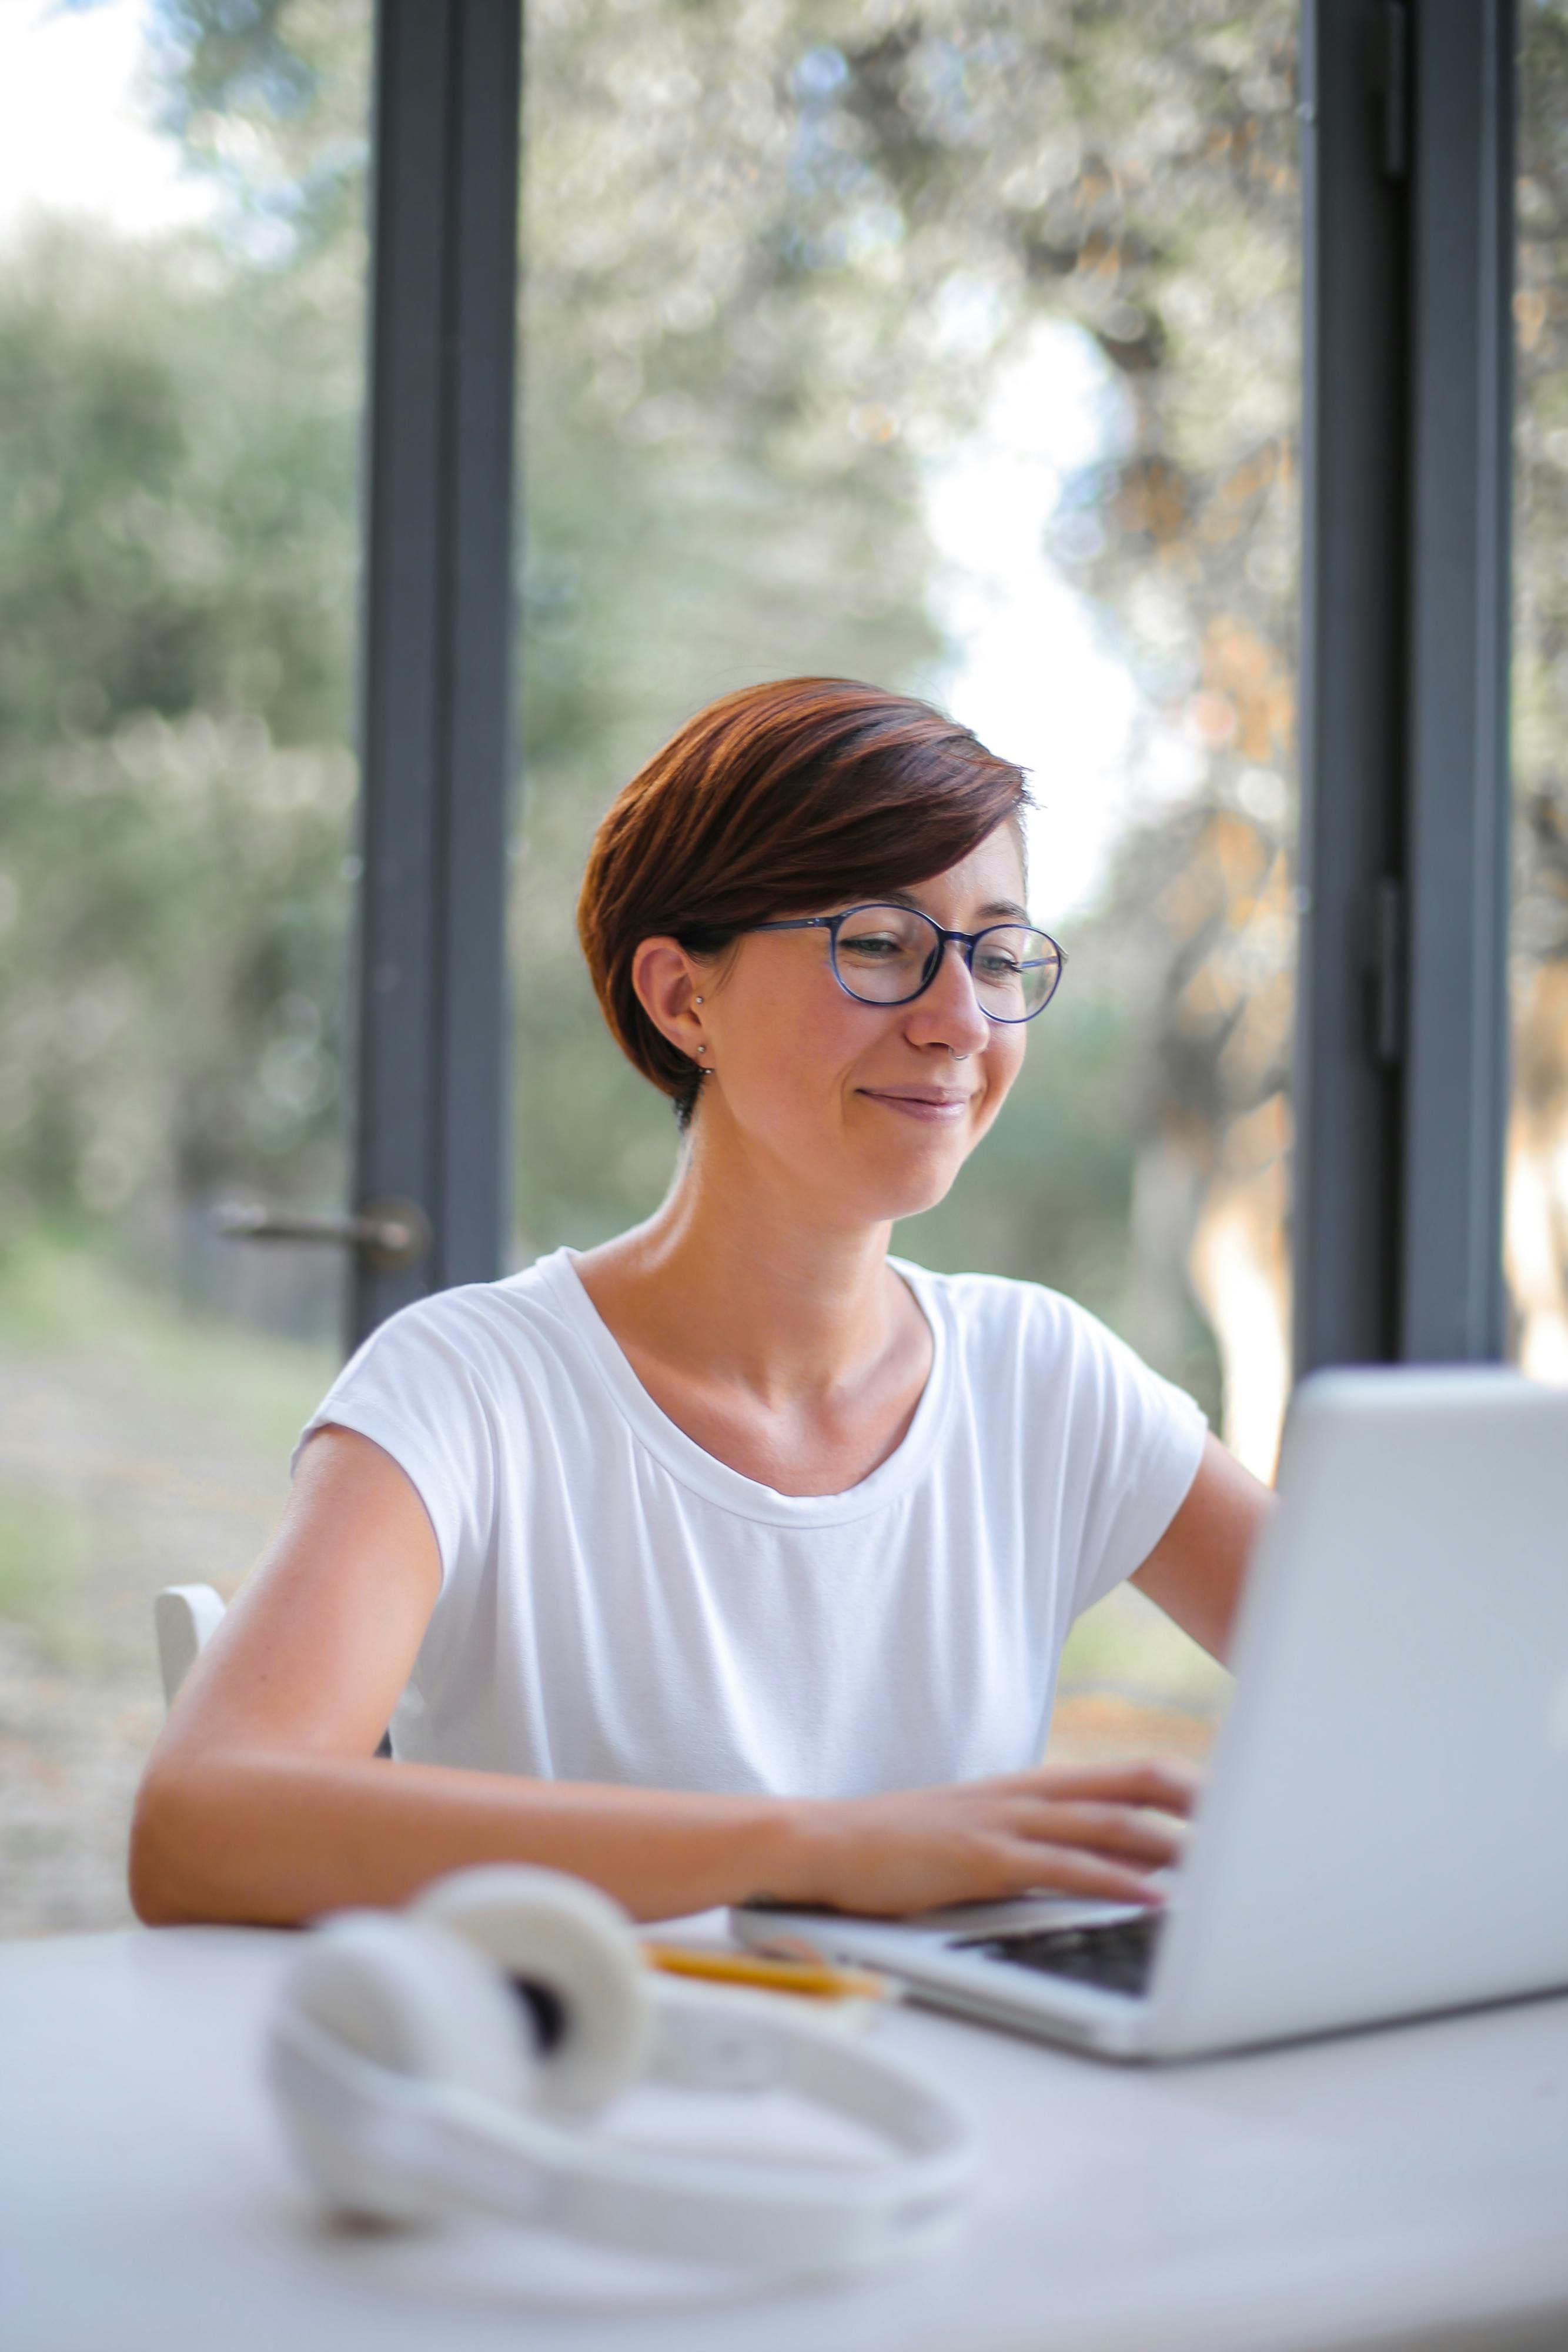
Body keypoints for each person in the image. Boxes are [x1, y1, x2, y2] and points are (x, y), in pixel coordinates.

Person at [130, 677, 1271, 1929]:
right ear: (684, 997)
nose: (959, 1022)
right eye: (880, 943)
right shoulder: (469, 1384)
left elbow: (1410, 1675)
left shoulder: (1044, 1374)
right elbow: (202, 1825)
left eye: (996, 956)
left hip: (961, 2103)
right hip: (588, 2095)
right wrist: (817, 1846)